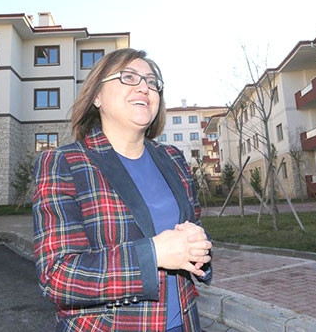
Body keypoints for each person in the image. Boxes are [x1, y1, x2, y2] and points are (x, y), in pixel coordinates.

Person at [31, 48, 213, 332]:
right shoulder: (64, 162)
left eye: (152, 82)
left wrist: (200, 248)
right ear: (97, 96)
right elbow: (57, 275)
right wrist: (153, 254)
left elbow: (193, 228)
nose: (144, 87)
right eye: (128, 77)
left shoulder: (173, 159)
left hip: (183, 324)